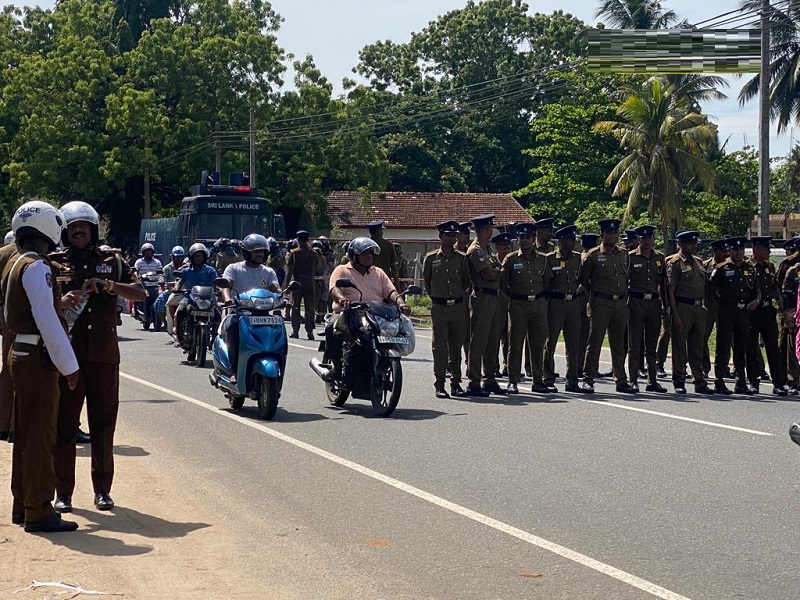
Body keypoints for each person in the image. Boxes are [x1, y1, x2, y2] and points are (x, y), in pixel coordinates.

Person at [48, 201, 145, 514]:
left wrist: (110, 286)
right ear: (64, 231)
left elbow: (140, 293)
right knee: (64, 425)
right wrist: (60, 302)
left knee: (103, 427)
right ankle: (63, 493)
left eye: (84, 227)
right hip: (68, 356)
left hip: (104, 356)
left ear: (93, 229)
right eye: (72, 227)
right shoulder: (53, 263)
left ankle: (102, 490)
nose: (78, 232)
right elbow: (39, 303)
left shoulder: (112, 259)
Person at [3, 201, 80, 532]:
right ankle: (39, 510)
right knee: (40, 436)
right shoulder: (37, 267)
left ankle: (23, 502)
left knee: (24, 434)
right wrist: (69, 365)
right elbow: (47, 319)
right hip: (38, 357)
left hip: (19, 351)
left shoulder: (14, 263)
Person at [325, 238, 411, 376]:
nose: (369, 257)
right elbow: (334, 288)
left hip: (375, 313)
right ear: (353, 255)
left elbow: (391, 291)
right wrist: (342, 299)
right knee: (332, 327)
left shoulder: (378, 272)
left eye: (371, 253)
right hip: (348, 312)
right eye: (364, 254)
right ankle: (335, 367)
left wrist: (401, 303)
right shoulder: (342, 270)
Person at [580, 219, 636, 394]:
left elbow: (627, 278)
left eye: (615, 233)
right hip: (601, 302)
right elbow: (583, 280)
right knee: (595, 341)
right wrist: (594, 297)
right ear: (602, 234)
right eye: (609, 233)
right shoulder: (593, 255)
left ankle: (620, 379)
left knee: (619, 344)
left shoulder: (624, 254)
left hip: (620, 303)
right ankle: (588, 378)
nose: (612, 236)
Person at [219, 234, 280, 379]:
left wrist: (282, 296)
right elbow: (226, 285)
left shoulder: (268, 272)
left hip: (263, 314)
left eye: (262, 251)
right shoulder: (234, 268)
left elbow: (275, 288)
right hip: (239, 312)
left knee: (278, 326)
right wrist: (227, 298)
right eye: (256, 251)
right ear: (246, 252)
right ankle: (234, 370)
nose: (260, 254)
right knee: (232, 327)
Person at [423, 221, 471, 398]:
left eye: (453, 235)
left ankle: (456, 384)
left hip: (457, 306)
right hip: (440, 307)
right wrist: (438, 297)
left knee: (456, 346)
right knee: (440, 347)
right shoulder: (431, 258)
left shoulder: (462, 258)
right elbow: (427, 283)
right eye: (447, 235)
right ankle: (440, 383)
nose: (451, 238)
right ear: (440, 237)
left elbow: (466, 282)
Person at [502, 222, 550, 394]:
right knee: (515, 344)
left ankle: (538, 380)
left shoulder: (544, 259)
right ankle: (512, 380)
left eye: (527, 237)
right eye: (521, 237)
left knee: (537, 345)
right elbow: (503, 284)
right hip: (518, 305)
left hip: (538, 304)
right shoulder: (511, 259)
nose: (524, 240)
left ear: (533, 238)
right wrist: (514, 298)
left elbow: (547, 283)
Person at [665, 231, 715, 395]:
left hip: (697, 307)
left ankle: (699, 380)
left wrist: (705, 304)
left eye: (694, 243)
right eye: (690, 243)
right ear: (681, 244)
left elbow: (704, 285)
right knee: (680, 346)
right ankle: (679, 380)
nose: (694, 246)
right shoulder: (675, 263)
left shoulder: (698, 262)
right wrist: (675, 314)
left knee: (697, 346)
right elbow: (670, 290)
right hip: (682, 306)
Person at [710, 237, 760, 395]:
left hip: (743, 312)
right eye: (735, 250)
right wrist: (719, 304)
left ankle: (741, 381)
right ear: (729, 251)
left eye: (741, 250)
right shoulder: (722, 268)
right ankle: (719, 381)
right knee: (723, 346)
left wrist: (756, 301)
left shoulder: (750, 268)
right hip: (726, 311)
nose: (738, 253)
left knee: (741, 347)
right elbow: (711, 289)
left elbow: (757, 289)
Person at [465, 214, 506, 397]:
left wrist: (498, 271)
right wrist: (499, 272)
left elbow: (497, 268)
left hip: (494, 297)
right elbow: (489, 273)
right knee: (479, 341)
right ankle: (474, 381)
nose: (491, 232)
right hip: (481, 297)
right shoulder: (476, 250)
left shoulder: (487, 249)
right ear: (486, 230)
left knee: (492, 340)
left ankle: (490, 379)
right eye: (490, 229)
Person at [543, 225, 584, 393]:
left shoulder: (577, 258)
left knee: (573, 343)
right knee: (550, 342)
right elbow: (545, 283)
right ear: (561, 241)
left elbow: (582, 279)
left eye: (574, 239)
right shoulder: (550, 258)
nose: (573, 243)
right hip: (555, 302)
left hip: (573, 303)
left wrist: (578, 292)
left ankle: (572, 380)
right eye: (569, 240)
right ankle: (548, 378)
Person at [627, 225, 667, 392]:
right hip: (636, 302)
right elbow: (623, 282)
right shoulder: (630, 257)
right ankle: (633, 380)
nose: (647, 241)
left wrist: (665, 305)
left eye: (649, 238)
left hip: (654, 304)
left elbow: (664, 284)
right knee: (635, 344)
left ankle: (652, 380)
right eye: (643, 238)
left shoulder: (660, 258)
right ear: (638, 239)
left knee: (651, 345)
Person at [746, 236, 787, 395]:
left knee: (773, 348)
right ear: (756, 249)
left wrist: (780, 299)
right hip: (752, 312)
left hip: (768, 311)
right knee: (751, 348)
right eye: (766, 248)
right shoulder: (747, 266)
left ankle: (778, 383)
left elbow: (775, 286)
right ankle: (753, 382)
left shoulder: (770, 266)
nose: (769, 251)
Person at [172, 243, 217, 347]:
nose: (198, 258)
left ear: (204, 257)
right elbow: (180, 280)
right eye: (196, 256)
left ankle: (215, 339)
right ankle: (179, 338)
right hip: (190, 297)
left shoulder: (210, 270)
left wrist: (219, 289)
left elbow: (216, 283)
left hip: (208, 298)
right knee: (180, 312)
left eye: (200, 256)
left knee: (218, 316)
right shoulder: (186, 270)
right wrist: (176, 288)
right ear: (191, 257)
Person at [0, 233, 19, 441]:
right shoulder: (35, 253)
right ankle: (16, 425)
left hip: (6, 317)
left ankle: (4, 423)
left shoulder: (2, 253)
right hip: (27, 317)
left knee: (8, 368)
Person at [286, 230, 321, 340]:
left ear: (298, 240)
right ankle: (310, 332)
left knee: (295, 306)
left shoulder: (294, 253)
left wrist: (287, 286)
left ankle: (295, 331)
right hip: (310, 281)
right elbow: (317, 268)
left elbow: (290, 270)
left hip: (297, 281)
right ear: (308, 240)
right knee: (310, 308)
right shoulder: (314, 253)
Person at [702, 239, 730, 377]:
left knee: (726, 338)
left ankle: (724, 367)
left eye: (727, 251)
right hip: (709, 304)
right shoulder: (706, 265)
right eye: (722, 251)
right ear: (715, 252)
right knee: (703, 336)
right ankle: (704, 367)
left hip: (726, 305)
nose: (726, 254)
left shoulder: (731, 266)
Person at [577, 233, 599, 378]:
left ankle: (584, 366)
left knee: (587, 335)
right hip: (583, 298)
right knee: (584, 335)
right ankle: (581, 366)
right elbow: (581, 280)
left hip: (586, 297)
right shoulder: (586, 257)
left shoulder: (583, 256)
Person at [780, 239, 800, 393]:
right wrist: (787, 313)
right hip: (793, 311)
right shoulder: (791, 267)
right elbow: (783, 291)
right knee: (790, 346)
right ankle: (792, 380)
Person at [492, 232, 513, 378]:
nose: (506, 249)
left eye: (508, 247)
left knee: (509, 336)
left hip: (510, 301)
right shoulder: (492, 261)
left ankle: (508, 365)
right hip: (496, 301)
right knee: (495, 335)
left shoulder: (512, 260)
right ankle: (494, 366)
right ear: (497, 247)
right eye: (503, 247)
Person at [163, 245, 186, 336]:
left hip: (192, 294)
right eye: (176, 257)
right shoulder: (167, 268)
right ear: (172, 257)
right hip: (173, 292)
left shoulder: (188, 267)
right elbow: (164, 279)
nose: (178, 259)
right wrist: (171, 286)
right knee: (160, 303)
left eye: (180, 257)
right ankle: (171, 325)